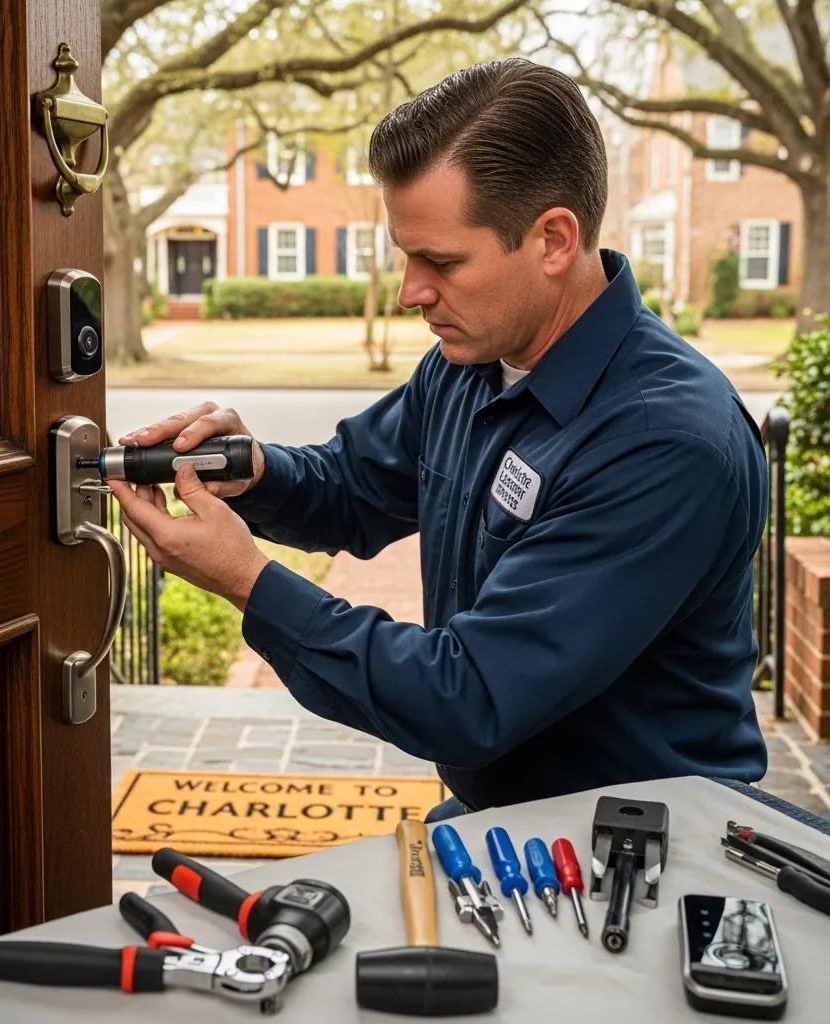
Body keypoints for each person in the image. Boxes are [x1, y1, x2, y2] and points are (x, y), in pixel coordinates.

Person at [109, 59, 768, 819]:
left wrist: (247, 582)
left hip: (639, 847)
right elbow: (353, 487)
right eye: (406, 256)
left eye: (442, 261)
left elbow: (469, 696)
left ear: (554, 239)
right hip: (502, 817)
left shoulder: (666, 443)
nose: (410, 292)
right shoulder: (471, 362)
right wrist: (250, 471)